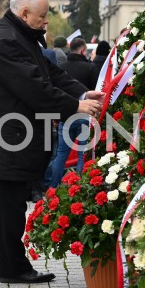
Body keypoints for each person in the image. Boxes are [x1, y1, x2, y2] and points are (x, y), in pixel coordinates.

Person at [0, 0, 104, 284]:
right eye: (42, 16)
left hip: (9, 136)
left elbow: (50, 73)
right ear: (24, 13)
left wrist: (82, 91)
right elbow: (34, 88)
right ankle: (14, 268)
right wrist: (76, 106)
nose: (46, 22)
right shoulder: (7, 41)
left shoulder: (20, 35)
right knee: (11, 203)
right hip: (6, 138)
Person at [46, 38, 99, 189]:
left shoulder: (61, 67)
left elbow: (55, 90)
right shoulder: (90, 68)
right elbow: (94, 91)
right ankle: (80, 188)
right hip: (84, 116)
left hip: (66, 115)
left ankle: (52, 188)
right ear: (83, 50)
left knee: (61, 155)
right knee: (83, 155)